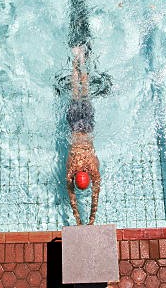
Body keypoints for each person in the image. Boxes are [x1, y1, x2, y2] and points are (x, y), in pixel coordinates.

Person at [65, 45, 100, 225]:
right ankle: (76, 59)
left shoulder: (92, 169)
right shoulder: (71, 170)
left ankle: (80, 58)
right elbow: (73, 195)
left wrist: (86, 218)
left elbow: (93, 193)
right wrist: (84, 218)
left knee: (84, 91)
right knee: (75, 91)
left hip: (87, 127)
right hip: (75, 127)